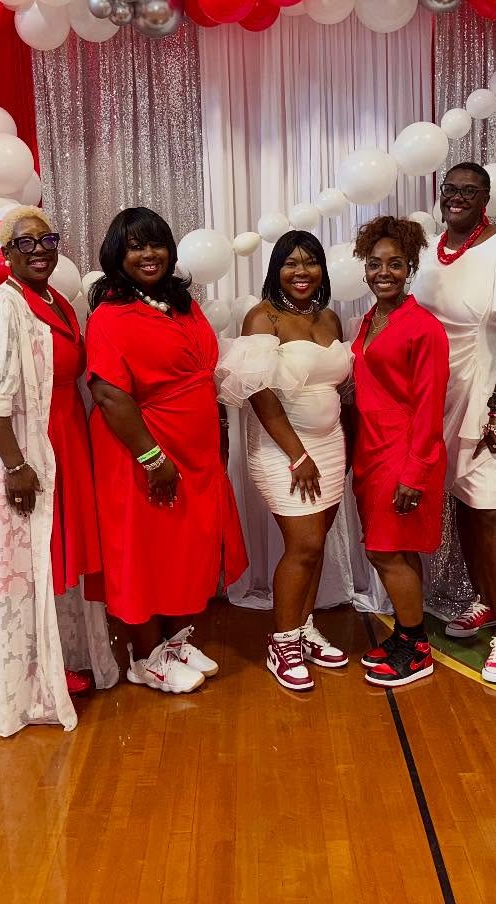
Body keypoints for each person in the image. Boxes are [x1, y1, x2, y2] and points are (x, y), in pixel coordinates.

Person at [0, 206, 118, 734]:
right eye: (26, 243)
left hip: (63, 442)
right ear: (5, 255)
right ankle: (23, 681)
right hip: (22, 450)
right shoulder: (2, 308)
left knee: (53, 563)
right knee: (24, 563)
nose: (41, 249)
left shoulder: (58, 303)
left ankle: (56, 662)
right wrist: (15, 465)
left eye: (47, 239)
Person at [86, 207, 246, 694]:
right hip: (141, 450)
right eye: (135, 246)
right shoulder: (110, 317)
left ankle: (174, 642)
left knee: (185, 548)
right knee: (144, 550)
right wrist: (152, 458)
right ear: (118, 254)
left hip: (193, 451)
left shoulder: (181, 303)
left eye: (156, 244)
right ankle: (144, 656)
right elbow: (110, 394)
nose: (148, 254)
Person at [414, 161, 496, 684]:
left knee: (492, 507)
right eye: (450, 190)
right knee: (463, 503)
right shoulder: (429, 248)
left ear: (485, 198)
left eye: (469, 191)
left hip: (493, 389)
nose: (457, 198)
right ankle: (484, 601)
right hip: (440, 394)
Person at [216, 230, 352, 692]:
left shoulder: (329, 317)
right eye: (290, 263)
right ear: (276, 269)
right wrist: (298, 456)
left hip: (331, 445)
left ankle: (304, 626)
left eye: (310, 262)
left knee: (317, 541)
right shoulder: (263, 318)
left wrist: (341, 444)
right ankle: (282, 642)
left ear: (321, 270)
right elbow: (260, 395)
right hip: (284, 449)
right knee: (305, 545)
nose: (301, 272)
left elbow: (339, 389)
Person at [350, 217, 450, 688]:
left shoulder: (423, 327)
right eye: (375, 264)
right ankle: (410, 636)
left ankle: (417, 647)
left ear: (410, 267)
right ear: (364, 268)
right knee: (394, 551)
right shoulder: (371, 319)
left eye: (395, 264)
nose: (383, 272)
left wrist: (416, 471)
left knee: (386, 551)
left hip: (405, 452)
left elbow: (430, 407)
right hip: (370, 450)